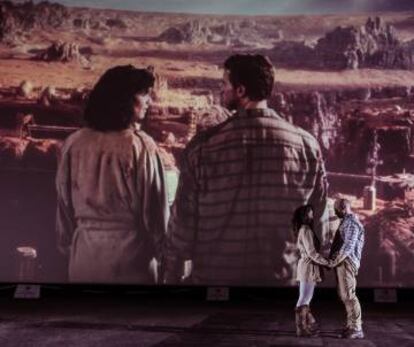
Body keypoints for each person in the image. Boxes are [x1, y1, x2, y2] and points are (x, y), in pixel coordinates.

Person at [164, 54, 328, 285]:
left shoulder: (203, 147)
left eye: (224, 84)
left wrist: (172, 275)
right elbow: (317, 222)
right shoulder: (306, 146)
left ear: (240, 91)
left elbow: (183, 225)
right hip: (281, 283)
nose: (221, 90)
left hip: (215, 285)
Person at [56, 65, 169, 284]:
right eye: (143, 94)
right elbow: (155, 213)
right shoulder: (140, 146)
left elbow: (63, 205)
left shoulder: (74, 143)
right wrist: (164, 253)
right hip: (131, 261)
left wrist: (68, 247)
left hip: (84, 258)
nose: (149, 101)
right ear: (124, 99)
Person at [329, 198, 365, 339]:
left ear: (343, 208)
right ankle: (351, 325)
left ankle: (356, 328)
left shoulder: (351, 223)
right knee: (345, 295)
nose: (335, 211)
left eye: (336, 209)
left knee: (349, 295)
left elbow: (348, 247)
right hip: (343, 262)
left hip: (346, 262)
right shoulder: (346, 222)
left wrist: (335, 261)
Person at [292, 204, 330, 337]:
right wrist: (328, 263)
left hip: (308, 266)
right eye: (310, 213)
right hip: (308, 267)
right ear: (304, 215)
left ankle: (305, 327)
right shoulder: (306, 230)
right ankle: (302, 329)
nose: (312, 215)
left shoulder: (304, 229)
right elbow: (312, 253)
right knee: (304, 298)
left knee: (306, 298)